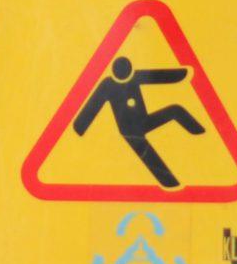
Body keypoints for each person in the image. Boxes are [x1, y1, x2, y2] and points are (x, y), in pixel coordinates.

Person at [71, 57, 205, 187]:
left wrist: (182, 74)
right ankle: (170, 185)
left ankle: (200, 134)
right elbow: (92, 106)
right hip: (130, 131)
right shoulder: (108, 85)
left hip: (144, 121)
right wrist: (80, 127)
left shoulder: (135, 76)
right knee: (151, 159)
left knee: (175, 110)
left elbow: (159, 77)